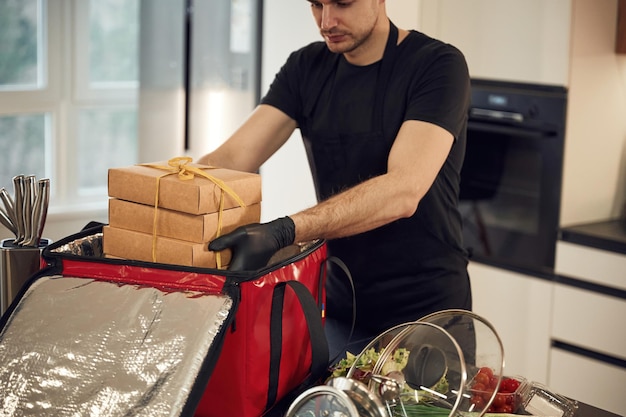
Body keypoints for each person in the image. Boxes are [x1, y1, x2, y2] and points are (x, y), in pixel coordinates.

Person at [198, 0, 472, 360]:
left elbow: (404, 191)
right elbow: (231, 161)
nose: (326, 21)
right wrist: (159, 202)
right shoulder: (306, 67)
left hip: (428, 318)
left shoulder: (436, 65)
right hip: (343, 309)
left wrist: (284, 231)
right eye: (316, 4)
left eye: (342, 3)